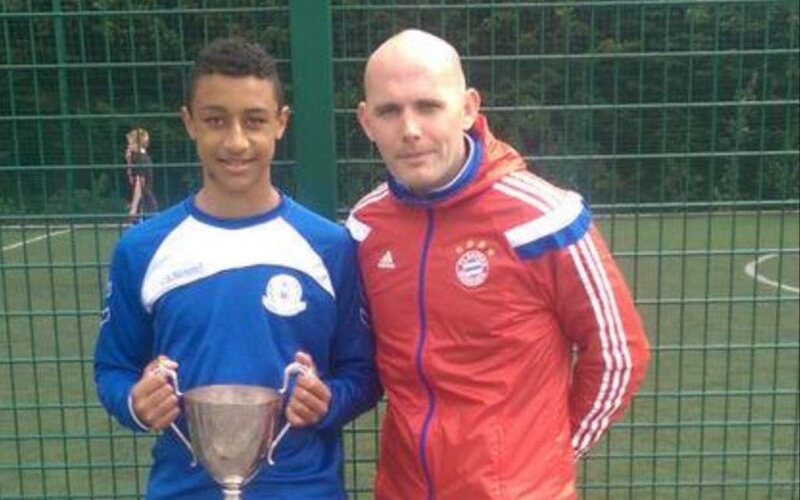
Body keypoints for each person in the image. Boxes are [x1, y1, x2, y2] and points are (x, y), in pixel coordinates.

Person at [347, 29, 651, 500]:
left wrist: (549, 457)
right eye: (389, 111)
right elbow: (358, 355)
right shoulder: (366, 226)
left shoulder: (544, 219)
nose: (410, 130)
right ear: (367, 122)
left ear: (468, 108)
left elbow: (619, 354)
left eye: (428, 106)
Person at [95, 37, 380, 500]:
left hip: (305, 490)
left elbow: (363, 373)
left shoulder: (330, 246)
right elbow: (112, 367)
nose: (235, 141)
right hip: (184, 491)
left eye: (254, 120)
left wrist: (328, 401)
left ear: (281, 123)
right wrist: (135, 402)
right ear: (189, 122)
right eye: (215, 120)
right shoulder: (141, 250)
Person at [125, 127, 159, 219]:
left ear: (138, 143)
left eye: (130, 143)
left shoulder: (142, 159)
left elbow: (139, 184)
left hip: (145, 205)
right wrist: (129, 161)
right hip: (141, 203)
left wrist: (134, 207)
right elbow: (131, 180)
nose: (128, 146)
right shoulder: (136, 158)